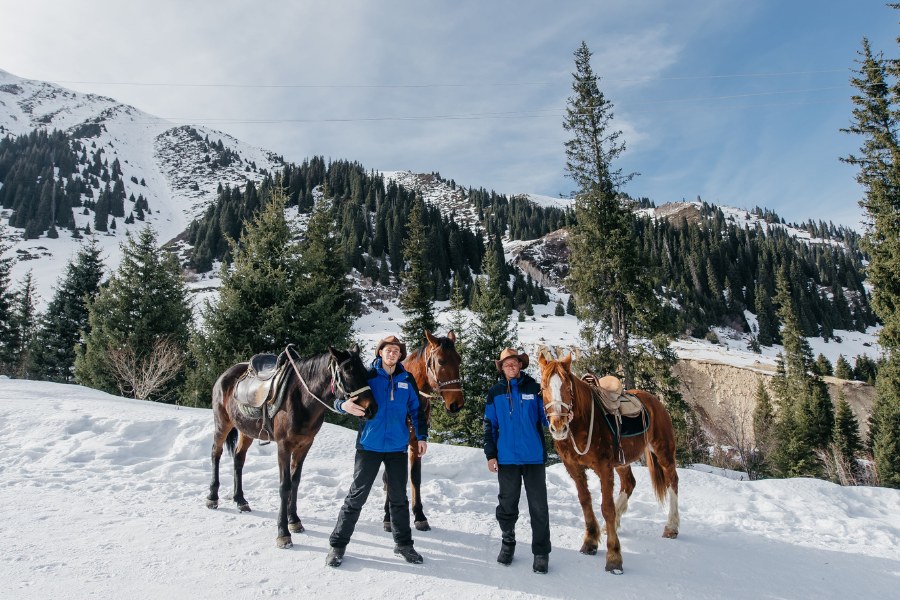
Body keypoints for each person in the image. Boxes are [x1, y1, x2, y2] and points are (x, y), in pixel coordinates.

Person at [326, 335, 429, 567]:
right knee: (356, 496)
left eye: (396, 351)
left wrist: (421, 437)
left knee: (399, 499)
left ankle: (404, 545)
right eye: (388, 350)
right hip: (369, 446)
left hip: (397, 447)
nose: (392, 354)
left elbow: (416, 410)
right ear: (380, 352)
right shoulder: (368, 376)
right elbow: (337, 396)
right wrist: (343, 406)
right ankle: (337, 545)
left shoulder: (406, 378)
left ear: (400, 355)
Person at [483, 348, 551, 574]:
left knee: (539, 507)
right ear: (501, 368)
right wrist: (490, 455)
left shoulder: (535, 389)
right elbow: (489, 426)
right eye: (507, 364)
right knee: (507, 503)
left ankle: (541, 552)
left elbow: (546, 417)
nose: (511, 367)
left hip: (533, 457)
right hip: (507, 459)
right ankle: (508, 542)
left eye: (515, 363)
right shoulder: (495, 393)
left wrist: (560, 417)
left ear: (520, 365)